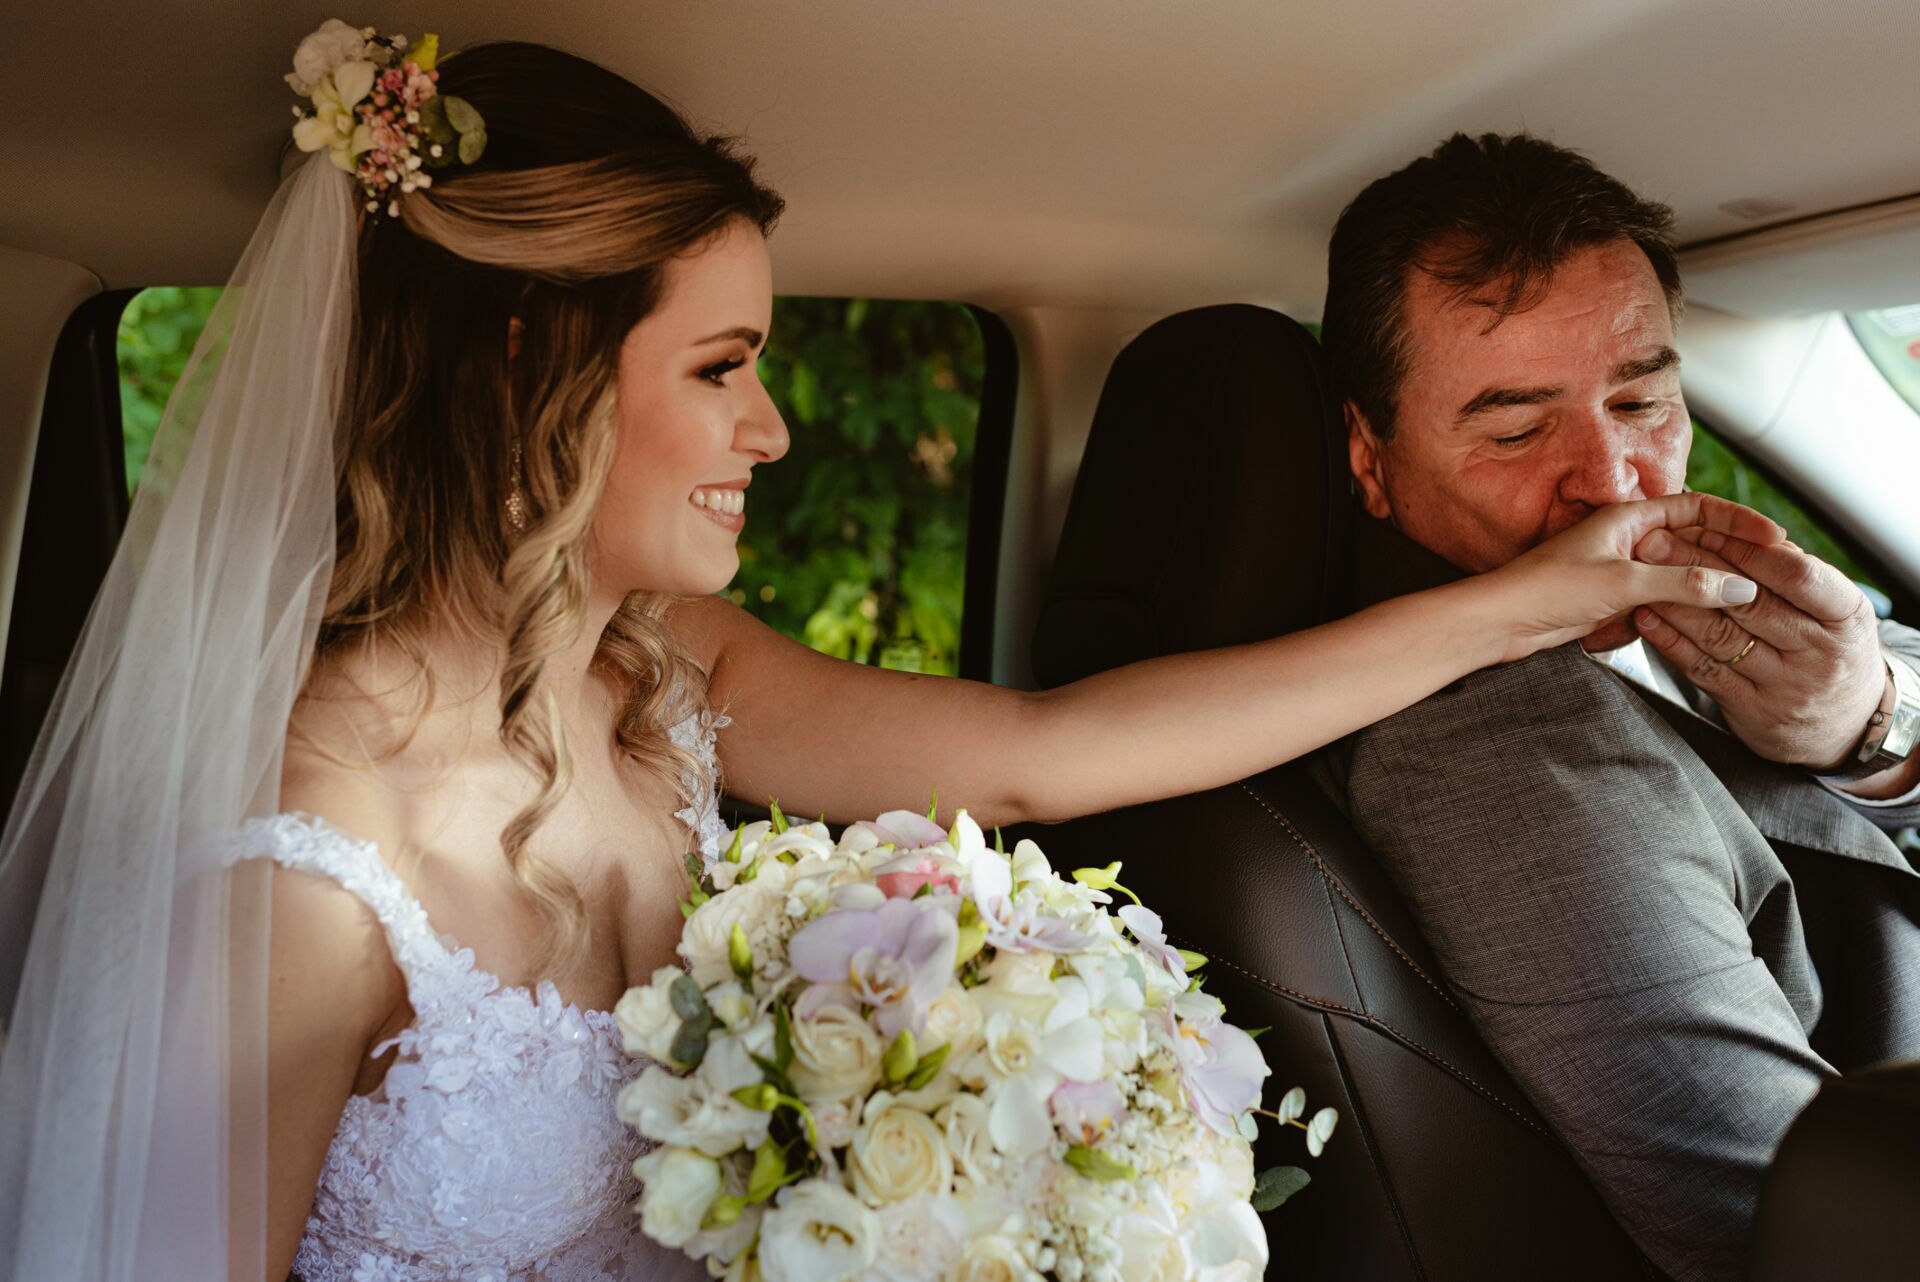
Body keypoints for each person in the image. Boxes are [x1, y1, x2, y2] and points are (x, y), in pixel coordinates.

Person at [0, 34, 1771, 1282]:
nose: (770, 428)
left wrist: (1541, 601)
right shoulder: (299, 866)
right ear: (531, 365)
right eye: (722, 366)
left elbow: (1039, 759)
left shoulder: (655, 666)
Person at [1312, 131, 1920, 1282]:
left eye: (1641, 397)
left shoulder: (1723, 597)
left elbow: (1893, 673)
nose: (1616, 478)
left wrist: (1872, 726)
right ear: (1371, 458)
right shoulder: (1493, 762)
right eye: (1515, 428)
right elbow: (1803, 1222)